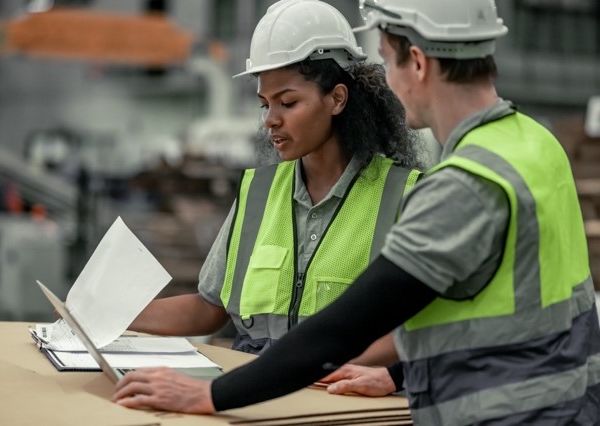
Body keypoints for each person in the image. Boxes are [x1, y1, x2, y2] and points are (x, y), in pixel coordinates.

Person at [114, 0, 600, 423]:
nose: (385, 81)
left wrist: (211, 395)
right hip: (564, 404)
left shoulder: (462, 186)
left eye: (386, 62)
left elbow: (346, 328)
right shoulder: (536, 144)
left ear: (417, 61)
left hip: (502, 414)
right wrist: (396, 370)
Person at [127, 0, 422, 364]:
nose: (270, 120)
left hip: (339, 398)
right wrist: (111, 313)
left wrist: (315, 366)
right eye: (265, 104)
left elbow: (419, 332)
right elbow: (209, 307)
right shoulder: (257, 193)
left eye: (288, 102)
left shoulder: (405, 196)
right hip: (253, 388)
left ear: (337, 99)